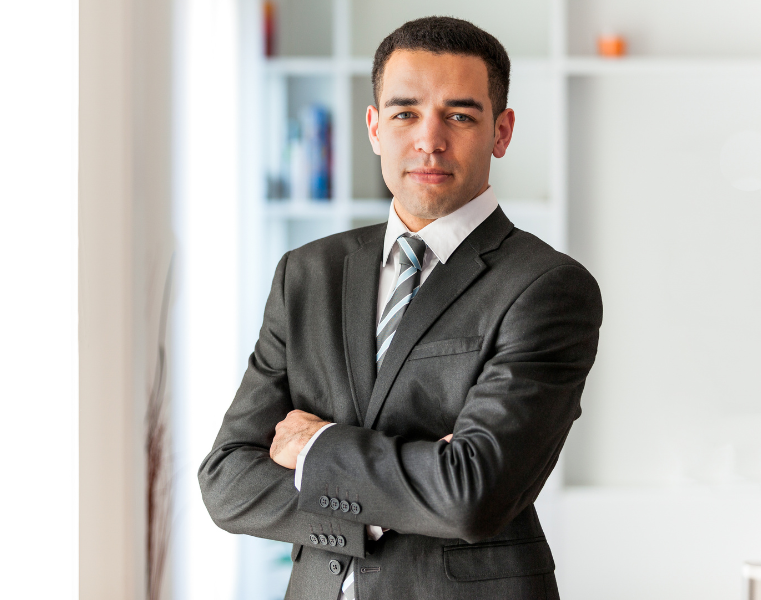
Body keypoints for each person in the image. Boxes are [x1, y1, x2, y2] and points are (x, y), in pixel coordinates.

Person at [199, 16, 602, 600]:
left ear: (502, 131)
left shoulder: (547, 287)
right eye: (405, 112)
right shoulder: (307, 274)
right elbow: (227, 480)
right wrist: (394, 495)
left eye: (460, 115)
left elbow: (472, 494)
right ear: (374, 127)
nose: (429, 140)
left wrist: (314, 449)